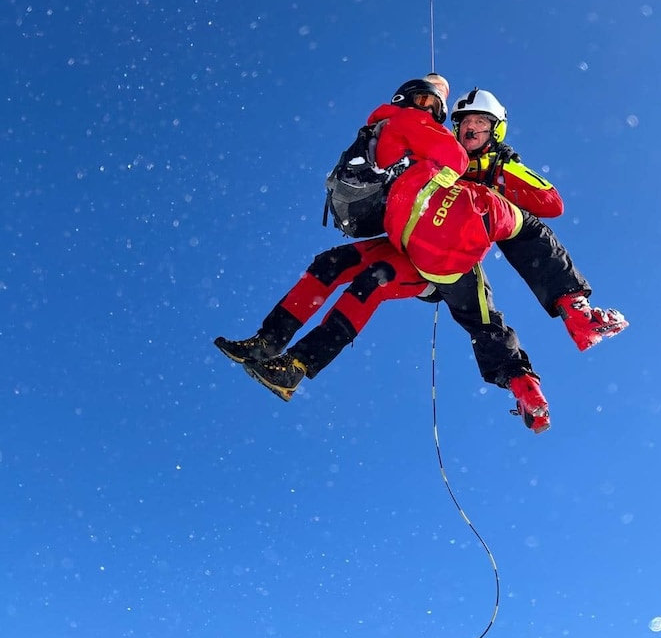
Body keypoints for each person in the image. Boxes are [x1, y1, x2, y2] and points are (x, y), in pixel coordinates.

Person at [215, 78, 550, 432]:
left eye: (436, 108)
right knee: (330, 263)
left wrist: (497, 177)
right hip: (407, 241)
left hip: (445, 259)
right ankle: (267, 341)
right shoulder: (408, 136)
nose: (430, 112)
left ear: (495, 129)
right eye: (425, 103)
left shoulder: (476, 159)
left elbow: (547, 203)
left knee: (379, 283)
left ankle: (297, 365)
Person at [448, 88, 628, 350]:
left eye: (480, 121)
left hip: (463, 245)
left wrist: (499, 189)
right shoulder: (445, 158)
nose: (471, 128)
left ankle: (575, 316)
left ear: (494, 130)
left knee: (523, 227)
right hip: (432, 232)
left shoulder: (502, 166)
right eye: (465, 122)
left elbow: (553, 203)